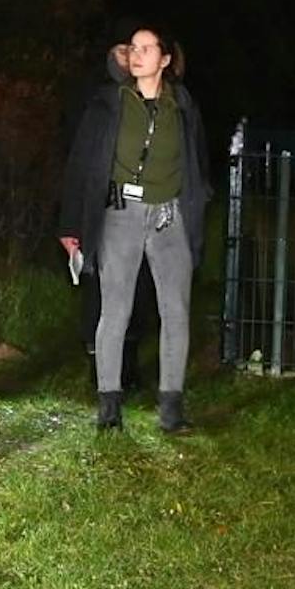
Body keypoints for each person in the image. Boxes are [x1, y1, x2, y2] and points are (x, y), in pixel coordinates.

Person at [58, 24, 210, 433]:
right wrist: (71, 223)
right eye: (132, 48)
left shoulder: (182, 105)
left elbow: (196, 164)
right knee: (115, 308)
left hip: (169, 217)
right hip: (119, 214)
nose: (136, 55)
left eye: (146, 49)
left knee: (175, 311)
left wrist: (195, 209)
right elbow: (81, 162)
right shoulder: (108, 103)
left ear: (164, 59)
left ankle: (172, 407)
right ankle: (109, 408)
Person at [60, 27, 158, 393]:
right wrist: (70, 224)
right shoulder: (97, 104)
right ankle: (99, 370)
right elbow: (79, 164)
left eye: (134, 50)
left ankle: (129, 367)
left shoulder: (161, 103)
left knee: (138, 290)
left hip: (145, 215)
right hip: (100, 217)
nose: (128, 58)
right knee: (99, 293)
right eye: (121, 51)